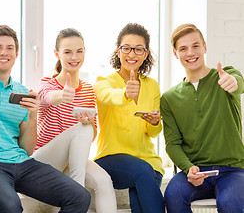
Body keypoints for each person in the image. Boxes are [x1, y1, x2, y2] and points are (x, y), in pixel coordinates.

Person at [0, 25, 91, 213]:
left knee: (80, 197)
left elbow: (27, 149)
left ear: (16, 54)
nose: (4, 52)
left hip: (21, 163)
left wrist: (33, 114)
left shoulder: (21, 91)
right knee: (11, 207)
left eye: (10, 48)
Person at [161, 23, 244, 213]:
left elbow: (238, 82)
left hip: (232, 170)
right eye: (183, 48)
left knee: (230, 203)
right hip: (195, 171)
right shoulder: (169, 98)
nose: (190, 52)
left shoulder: (225, 77)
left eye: (195, 46)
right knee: (172, 195)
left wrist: (233, 82)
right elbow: (172, 143)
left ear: (205, 47)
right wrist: (188, 168)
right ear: (175, 53)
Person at [32, 28, 117, 213]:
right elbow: (44, 97)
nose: (74, 57)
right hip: (46, 159)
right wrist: (61, 95)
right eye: (68, 52)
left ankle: (74, 193)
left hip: (73, 160)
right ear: (57, 54)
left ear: (84, 52)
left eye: (79, 51)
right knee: (82, 129)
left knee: (104, 180)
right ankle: (76, 194)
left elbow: (93, 132)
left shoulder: (88, 89)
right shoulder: (47, 82)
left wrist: (88, 125)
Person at [93, 23, 165, 213]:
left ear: (145, 54)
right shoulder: (104, 82)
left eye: (138, 49)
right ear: (118, 51)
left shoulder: (152, 86)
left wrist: (155, 122)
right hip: (111, 159)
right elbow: (106, 95)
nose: (132, 54)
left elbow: (154, 132)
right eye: (126, 48)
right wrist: (125, 94)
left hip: (148, 162)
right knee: (142, 171)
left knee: (140, 205)